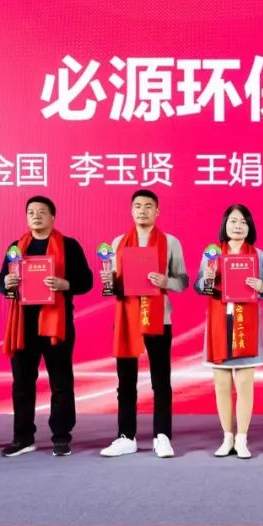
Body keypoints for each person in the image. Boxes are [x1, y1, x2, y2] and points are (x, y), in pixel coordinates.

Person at [0, 195, 92, 457]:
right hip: (23, 324)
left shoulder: (69, 246)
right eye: (31, 212)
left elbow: (86, 281)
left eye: (41, 212)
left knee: (61, 382)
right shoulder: (16, 248)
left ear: (53, 217)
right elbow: (0, 281)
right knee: (22, 383)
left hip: (56, 323)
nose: (36, 216)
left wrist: (65, 284)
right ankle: (23, 437)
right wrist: (6, 284)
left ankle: (61, 436)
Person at [100, 189, 189, 458]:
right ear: (131, 210)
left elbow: (183, 281)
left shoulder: (170, 242)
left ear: (157, 211)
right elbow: (114, 285)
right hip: (127, 318)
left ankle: (162, 436)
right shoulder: (118, 242)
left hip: (159, 318)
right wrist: (109, 282)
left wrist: (166, 282)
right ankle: (126, 436)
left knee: (161, 380)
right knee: (125, 381)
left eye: (148, 206)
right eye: (137, 206)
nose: (142, 210)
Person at [194, 204, 263, 459]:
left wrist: (260, 286)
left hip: (246, 324)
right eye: (233, 221)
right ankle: (227, 437)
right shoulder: (212, 253)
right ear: (225, 225)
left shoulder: (258, 255)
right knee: (222, 383)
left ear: (250, 227)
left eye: (243, 222)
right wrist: (207, 278)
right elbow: (199, 286)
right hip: (219, 322)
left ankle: (242, 439)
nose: (238, 226)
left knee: (245, 384)